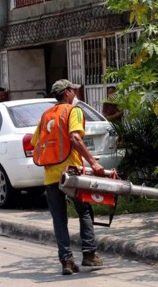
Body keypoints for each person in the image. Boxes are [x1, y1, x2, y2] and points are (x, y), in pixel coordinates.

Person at [32, 79, 105, 275]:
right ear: (66, 93)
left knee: (59, 219)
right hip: (71, 173)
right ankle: (89, 255)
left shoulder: (45, 115)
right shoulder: (73, 111)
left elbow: (35, 142)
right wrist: (93, 162)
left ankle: (66, 261)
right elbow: (74, 138)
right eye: (73, 90)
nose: (76, 93)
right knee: (84, 211)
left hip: (50, 175)